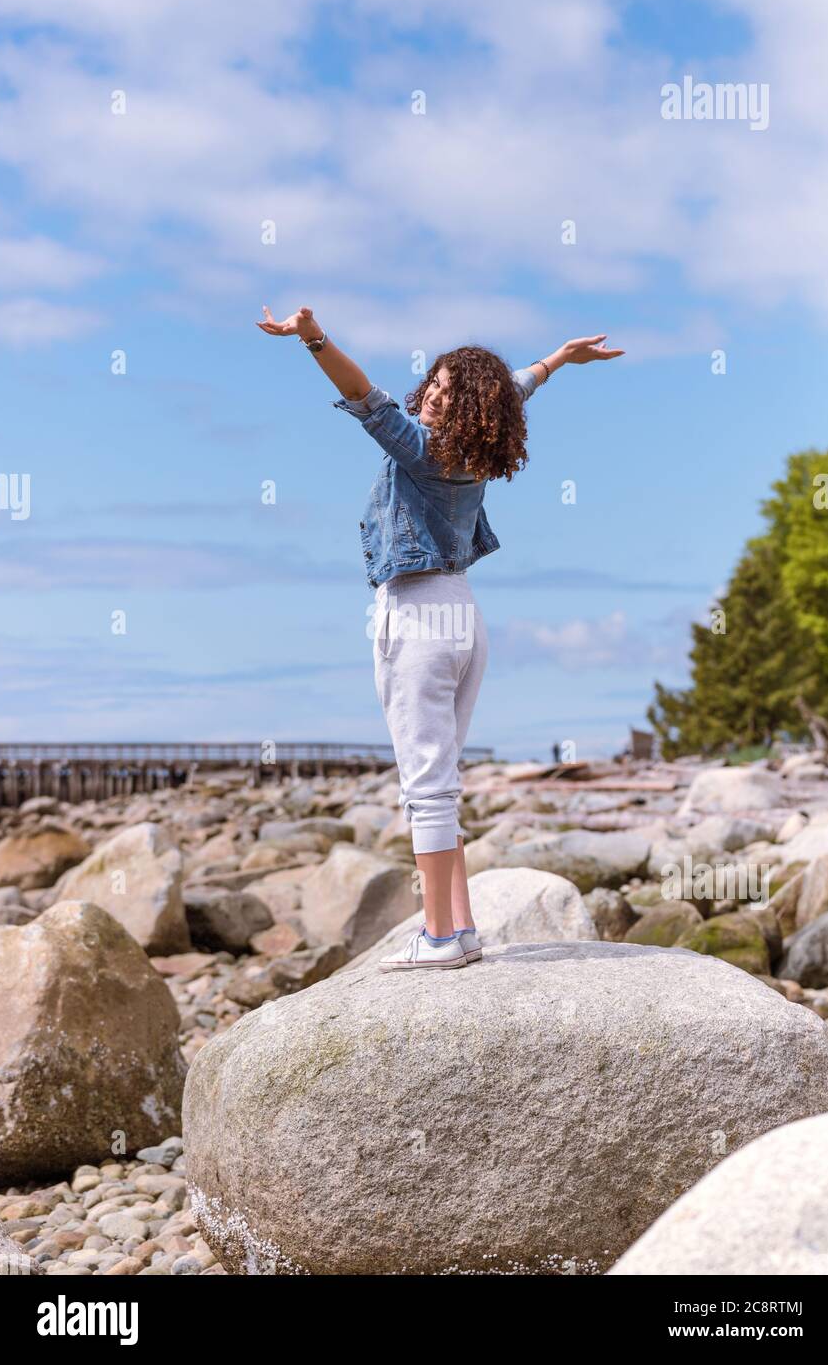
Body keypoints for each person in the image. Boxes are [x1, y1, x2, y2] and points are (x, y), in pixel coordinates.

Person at [257, 304, 624, 970]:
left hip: (419, 613)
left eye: (448, 391)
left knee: (424, 781)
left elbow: (362, 395)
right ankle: (462, 926)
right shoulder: (476, 453)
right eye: (433, 381)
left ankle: (436, 938)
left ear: (464, 411)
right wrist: (559, 360)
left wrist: (312, 338)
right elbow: (514, 385)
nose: (431, 393)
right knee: (443, 775)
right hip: (462, 613)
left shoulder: (422, 449)